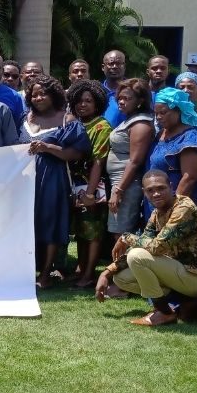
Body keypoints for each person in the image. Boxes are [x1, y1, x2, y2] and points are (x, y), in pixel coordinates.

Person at [95, 170, 197, 326]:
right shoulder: (157, 213)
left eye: (161, 188)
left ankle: (163, 312)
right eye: (150, 190)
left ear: (171, 187)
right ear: (144, 192)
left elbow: (156, 247)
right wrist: (107, 272)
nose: (156, 194)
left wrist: (125, 237)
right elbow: (144, 242)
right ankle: (173, 305)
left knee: (137, 256)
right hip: (180, 273)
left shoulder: (184, 208)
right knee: (120, 278)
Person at [24, 76, 90, 289]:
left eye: (43, 93)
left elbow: (76, 153)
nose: (38, 97)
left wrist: (48, 148)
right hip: (25, 180)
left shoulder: (67, 120)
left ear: (54, 95)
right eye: (34, 94)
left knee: (50, 223)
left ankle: (45, 274)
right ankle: (26, 269)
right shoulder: (25, 118)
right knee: (27, 223)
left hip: (53, 177)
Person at [67, 79, 114, 288]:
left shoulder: (101, 126)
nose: (82, 105)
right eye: (79, 101)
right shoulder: (76, 124)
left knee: (93, 231)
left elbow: (98, 160)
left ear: (97, 104)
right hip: (74, 183)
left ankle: (88, 274)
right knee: (80, 230)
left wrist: (90, 193)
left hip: (94, 184)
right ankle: (80, 268)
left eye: (88, 101)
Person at [147, 87, 197, 215]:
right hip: (158, 204)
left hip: (177, 209)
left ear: (179, 111)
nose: (158, 117)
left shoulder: (190, 138)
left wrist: (171, 212)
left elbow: (189, 178)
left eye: (163, 112)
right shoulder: (161, 134)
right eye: (156, 113)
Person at [107, 78, 155, 236]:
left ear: (140, 101)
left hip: (126, 184)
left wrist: (119, 190)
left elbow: (135, 161)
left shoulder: (141, 124)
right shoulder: (130, 120)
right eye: (119, 98)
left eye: (127, 98)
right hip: (119, 182)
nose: (121, 101)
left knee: (121, 231)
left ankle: (124, 261)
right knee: (117, 229)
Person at [99, 50, 127, 127]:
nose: (115, 67)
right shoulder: (95, 91)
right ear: (103, 67)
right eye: (111, 64)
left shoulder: (134, 90)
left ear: (124, 66)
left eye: (118, 63)